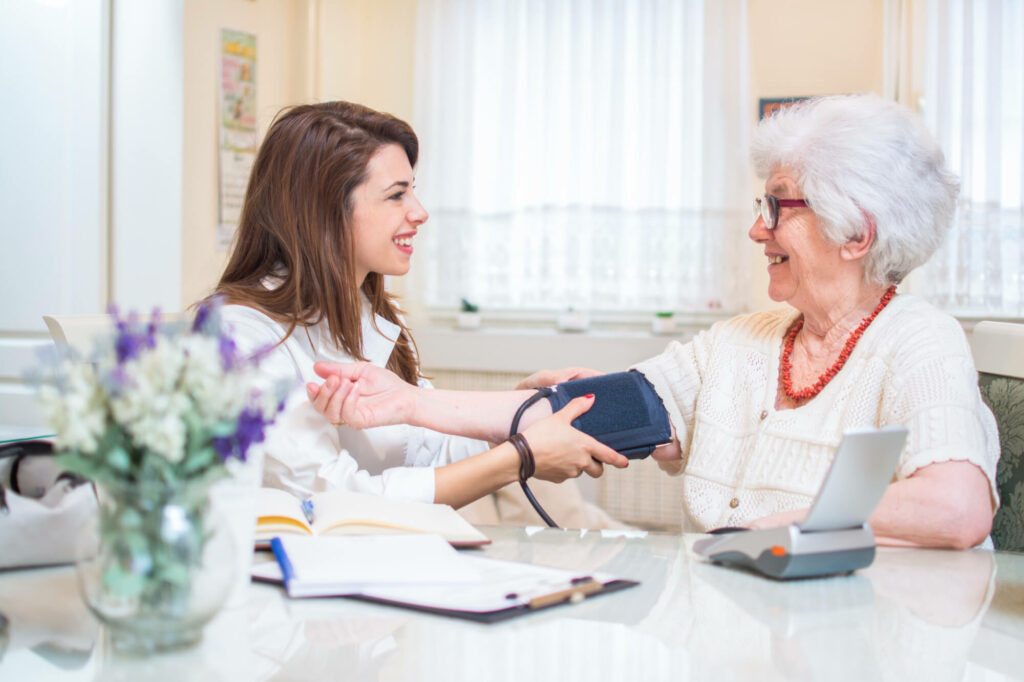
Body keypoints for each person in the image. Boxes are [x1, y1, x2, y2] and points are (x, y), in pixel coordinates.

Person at [309, 94, 1000, 548]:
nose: (756, 230)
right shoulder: (745, 343)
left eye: (779, 208)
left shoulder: (918, 341)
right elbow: (583, 413)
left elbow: (959, 508)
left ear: (856, 234)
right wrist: (406, 404)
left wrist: (789, 524)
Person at [210, 100, 628, 509]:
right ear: (324, 212)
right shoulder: (238, 338)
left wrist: (519, 409)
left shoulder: (367, 317)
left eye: (414, 191)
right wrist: (521, 455)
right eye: (396, 195)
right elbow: (332, 498)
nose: (420, 212)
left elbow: (428, 454)